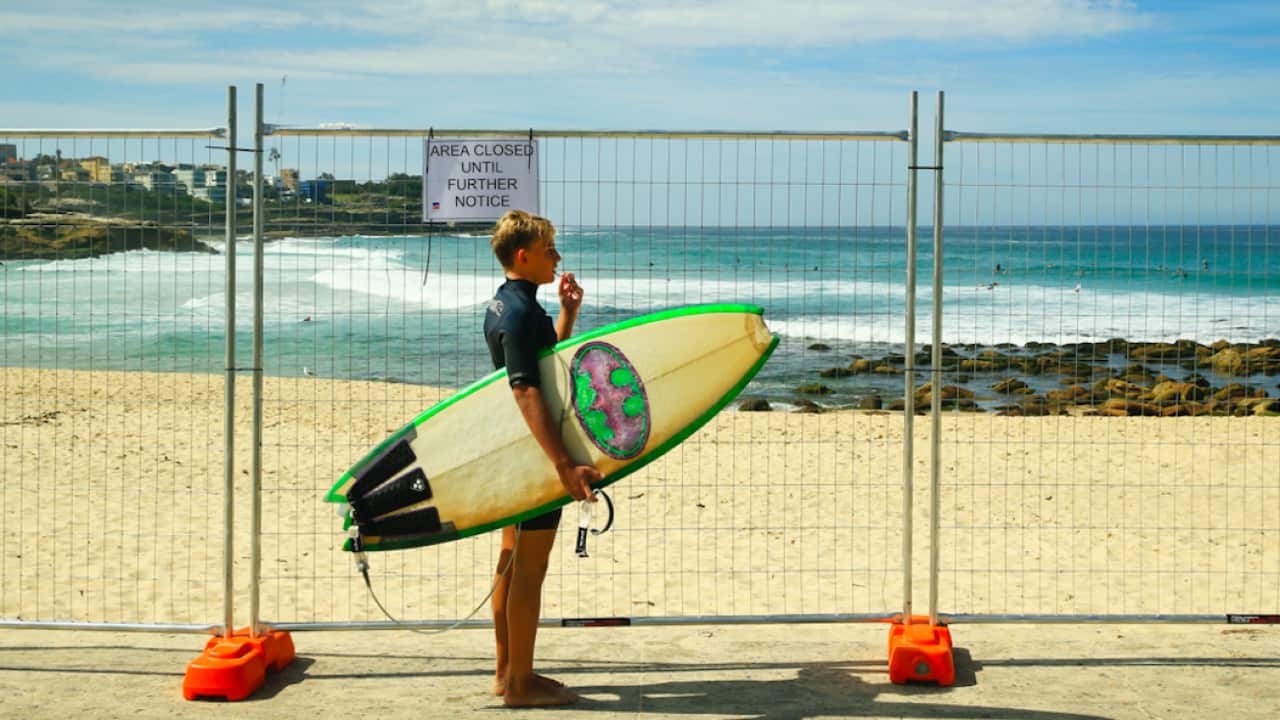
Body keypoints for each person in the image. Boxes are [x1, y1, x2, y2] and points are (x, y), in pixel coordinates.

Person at [483, 210, 602, 707]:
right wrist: (562, 464)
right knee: (529, 569)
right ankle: (519, 687)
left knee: (510, 562)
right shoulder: (520, 313)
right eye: (550, 248)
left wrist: (568, 315)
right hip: (534, 456)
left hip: (515, 451)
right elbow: (526, 389)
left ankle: (507, 673)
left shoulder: (506, 305)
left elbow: (540, 362)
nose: (557, 256)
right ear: (524, 256)